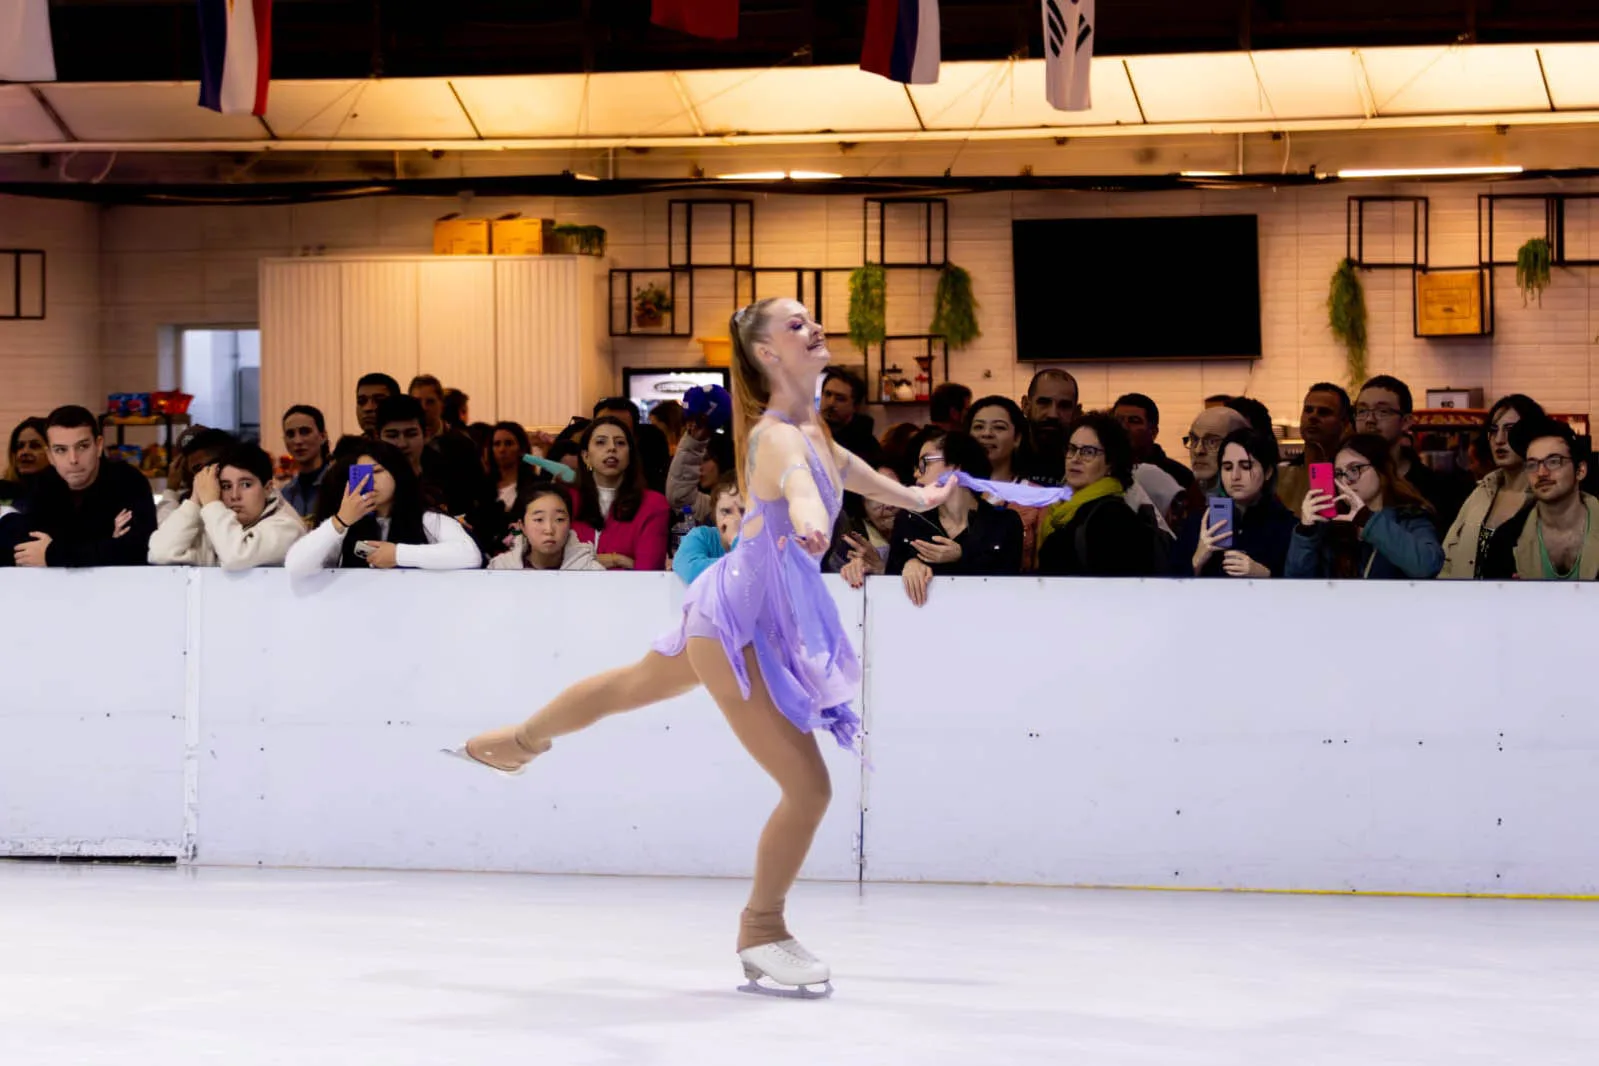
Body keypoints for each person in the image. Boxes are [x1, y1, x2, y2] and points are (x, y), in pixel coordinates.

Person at [446, 298, 968, 998]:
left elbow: (846, 473)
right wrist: (811, 521)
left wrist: (916, 497)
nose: (812, 327)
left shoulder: (804, 426)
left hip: (739, 610)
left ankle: (516, 740)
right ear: (765, 356)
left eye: (809, 318)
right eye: (795, 324)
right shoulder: (775, 438)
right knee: (807, 788)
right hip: (737, 627)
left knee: (627, 687)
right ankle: (762, 929)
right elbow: (798, 488)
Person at [285, 441, 482, 574]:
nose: (369, 480)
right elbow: (295, 566)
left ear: (397, 473)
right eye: (362, 474)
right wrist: (340, 521)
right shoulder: (345, 525)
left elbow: (469, 554)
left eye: (377, 471)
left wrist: (398, 554)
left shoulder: (427, 518)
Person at [8, 405, 158, 568]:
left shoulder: (128, 481)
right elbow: (25, 550)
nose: (73, 459)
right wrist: (103, 545)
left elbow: (137, 550)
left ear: (98, 446)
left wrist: (53, 554)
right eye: (61, 450)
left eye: (82, 446)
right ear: (50, 455)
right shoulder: (44, 485)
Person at [886, 430, 1024, 606]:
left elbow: (1009, 584)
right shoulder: (910, 519)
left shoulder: (1004, 522)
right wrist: (909, 564)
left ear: (956, 466)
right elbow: (888, 581)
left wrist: (963, 556)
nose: (916, 474)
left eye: (924, 463)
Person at [1287, 433, 1443, 580]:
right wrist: (1306, 533)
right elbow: (1296, 585)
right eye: (1339, 473)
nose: (1346, 480)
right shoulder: (1332, 525)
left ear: (1381, 469)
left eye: (1354, 469)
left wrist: (1367, 520)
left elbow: (1427, 565)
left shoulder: (1410, 517)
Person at [147, 441, 307, 569]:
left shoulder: (287, 527)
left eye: (246, 485)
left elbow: (236, 557)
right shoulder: (217, 527)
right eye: (226, 486)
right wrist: (196, 499)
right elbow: (160, 553)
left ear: (267, 488)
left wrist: (212, 504)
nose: (235, 496)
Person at [1440, 394, 1545, 579]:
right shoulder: (1482, 492)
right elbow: (1447, 558)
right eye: (1493, 430)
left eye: (1510, 429)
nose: (1499, 439)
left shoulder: (1546, 497)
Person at [1174, 427, 1296, 578]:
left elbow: (1302, 590)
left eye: (1246, 466)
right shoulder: (1199, 522)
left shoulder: (1287, 526)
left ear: (1268, 472)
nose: (1235, 476)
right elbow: (1169, 589)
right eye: (1227, 467)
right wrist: (1197, 559)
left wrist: (1266, 576)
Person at [571, 415, 671, 571]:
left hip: (630, 593)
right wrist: (622, 560)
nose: (612, 448)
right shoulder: (568, 500)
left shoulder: (653, 505)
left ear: (630, 455)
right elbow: (554, 563)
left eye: (620, 443)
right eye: (601, 442)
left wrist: (605, 560)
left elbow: (648, 571)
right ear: (585, 457)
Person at [487, 482, 606, 572]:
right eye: (539, 520)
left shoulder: (590, 570)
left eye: (559, 519)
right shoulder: (501, 569)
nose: (549, 530)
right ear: (522, 526)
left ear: (570, 524)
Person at [673, 477, 744, 585]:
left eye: (743, 511)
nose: (735, 519)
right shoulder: (701, 536)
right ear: (714, 515)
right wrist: (737, 567)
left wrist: (737, 540)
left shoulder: (766, 540)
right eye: (726, 511)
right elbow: (690, 568)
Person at [279, 405, 330, 518]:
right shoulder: (284, 495)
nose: (297, 441)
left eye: (305, 432)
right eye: (290, 434)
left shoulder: (340, 486)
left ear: (323, 436)